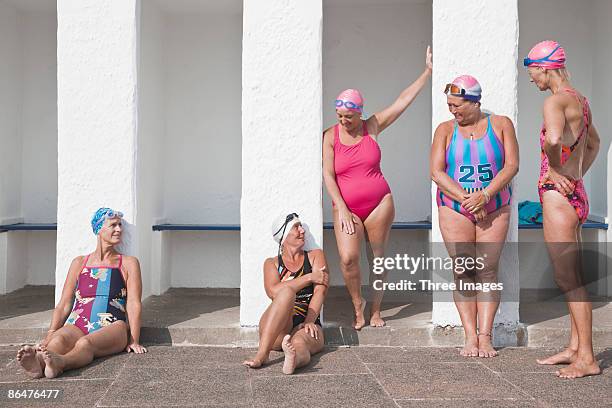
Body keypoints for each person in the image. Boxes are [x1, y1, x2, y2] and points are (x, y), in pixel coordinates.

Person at [323, 46, 433, 329]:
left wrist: (427, 73)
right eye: (339, 116)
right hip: (346, 206)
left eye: (348, 116)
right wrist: (343, 210)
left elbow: (401, 102)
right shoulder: (330, 136)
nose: (343, 121)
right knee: (348, 259)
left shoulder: (371, 127)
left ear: (359, 113)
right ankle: (357, 305)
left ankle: (375, 310)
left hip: (379, 203)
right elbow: (328, 175)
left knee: (378, 259)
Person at [524, 40, 601, 378]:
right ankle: (574, 347)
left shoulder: (554, 101)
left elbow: (553, 140)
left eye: (532, 72)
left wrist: (556, 170)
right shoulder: (580, 101)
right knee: (575, 276)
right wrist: (577, 173)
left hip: (558, 195)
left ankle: (587, 358)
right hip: (576, 194)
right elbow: (594, 142)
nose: (531, 79)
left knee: (566, 277)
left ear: (546, 68)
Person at [431, 75, 519, 357]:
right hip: (454, 206)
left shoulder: (502, 124)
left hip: (494, 204)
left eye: (456, 105)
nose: (452, 111)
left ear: (474, 102)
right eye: (449, 105)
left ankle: (485, 336)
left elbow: (511, 166)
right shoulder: (444, 130)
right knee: (463, 269)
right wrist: (469, 200)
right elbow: (436, 172)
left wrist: (486, 195)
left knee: (487, 270)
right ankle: (469, 335)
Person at [16, 208, 147, 379]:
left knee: (85, 343)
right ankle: (38, 363)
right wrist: (51, 332)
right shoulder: (79, 262)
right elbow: (64, 303)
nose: (119, 229)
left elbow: (134, 303)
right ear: (99, 229)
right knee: (59, 340)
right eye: (113, 225)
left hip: (113, 326)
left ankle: (61, 363)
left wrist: (134, 339)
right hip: (77, 323)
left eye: (120, 225)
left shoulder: (128, 263)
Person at [244, 213, 329, 374]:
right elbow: (272, 291)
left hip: (307, 322)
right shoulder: (272, 263)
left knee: (300, 343)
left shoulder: (315, 256)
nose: (302, 230)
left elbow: (320, 290)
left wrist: (310, 320)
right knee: (286, 293)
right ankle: (262, 354)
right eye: (296, 227)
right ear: (283, 235)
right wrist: (309, 277)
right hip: (278, 327)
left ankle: (294, 359)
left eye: (301, 226)